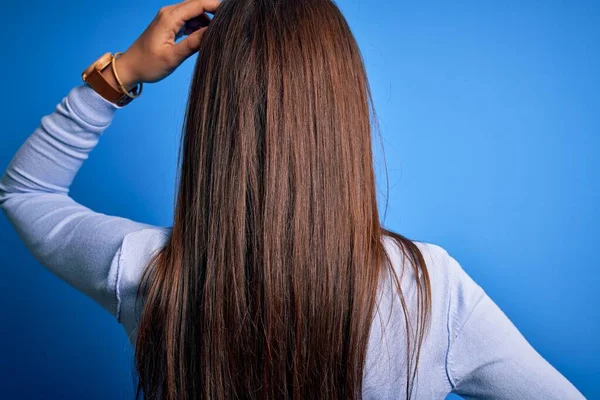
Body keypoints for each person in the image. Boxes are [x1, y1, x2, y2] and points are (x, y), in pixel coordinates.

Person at [0, 0, 586, 399]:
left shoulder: (149, 271)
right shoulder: (431, 289)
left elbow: (26, 192)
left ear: (214, 117)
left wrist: (121, 71)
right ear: (343, 109)